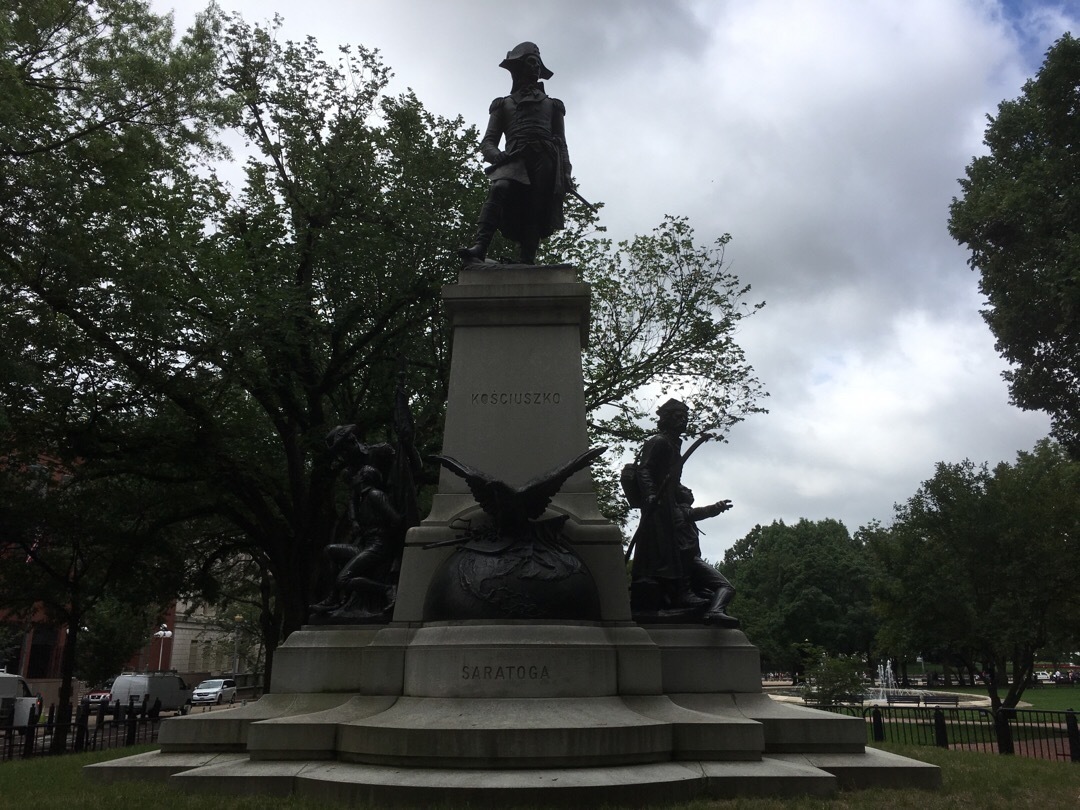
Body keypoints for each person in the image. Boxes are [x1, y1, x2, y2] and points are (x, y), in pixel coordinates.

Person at [459, 42, 572, 265]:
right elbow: (488, 141)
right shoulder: (503, 104)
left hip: (545, 157)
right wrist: (496, 155)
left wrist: (566, 172)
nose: (536, 67)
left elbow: (562, 143)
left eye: (538, 64)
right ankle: (480, 246)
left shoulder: (553, 105)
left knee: (536, 205)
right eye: (531, 62)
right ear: (519, 67)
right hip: (515, 158)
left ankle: (526, 258)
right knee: (499, 188)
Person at [629, 398, 708, 612]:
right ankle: (679, 592)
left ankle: (681, 591)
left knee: (682, 543)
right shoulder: (659, 442)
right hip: (658, 505)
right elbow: (644, 470)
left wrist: (682, 491)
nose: (683, 421)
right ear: (666, 419)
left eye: (685, 417)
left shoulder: (674, 445)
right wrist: (650, 495)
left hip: (670, 503)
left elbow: (673, 479)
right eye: (678, 417)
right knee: (669, 547)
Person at [674, 485, 739, 628]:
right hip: (689, 560)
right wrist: (716, 507)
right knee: (726, 587)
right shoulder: (681, 510)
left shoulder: (676, 512)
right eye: (685, 490)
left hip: (687, 561)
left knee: (710, 595)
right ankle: (714, 612)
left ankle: (713, 611)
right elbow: (699, 512)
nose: (690, 491)